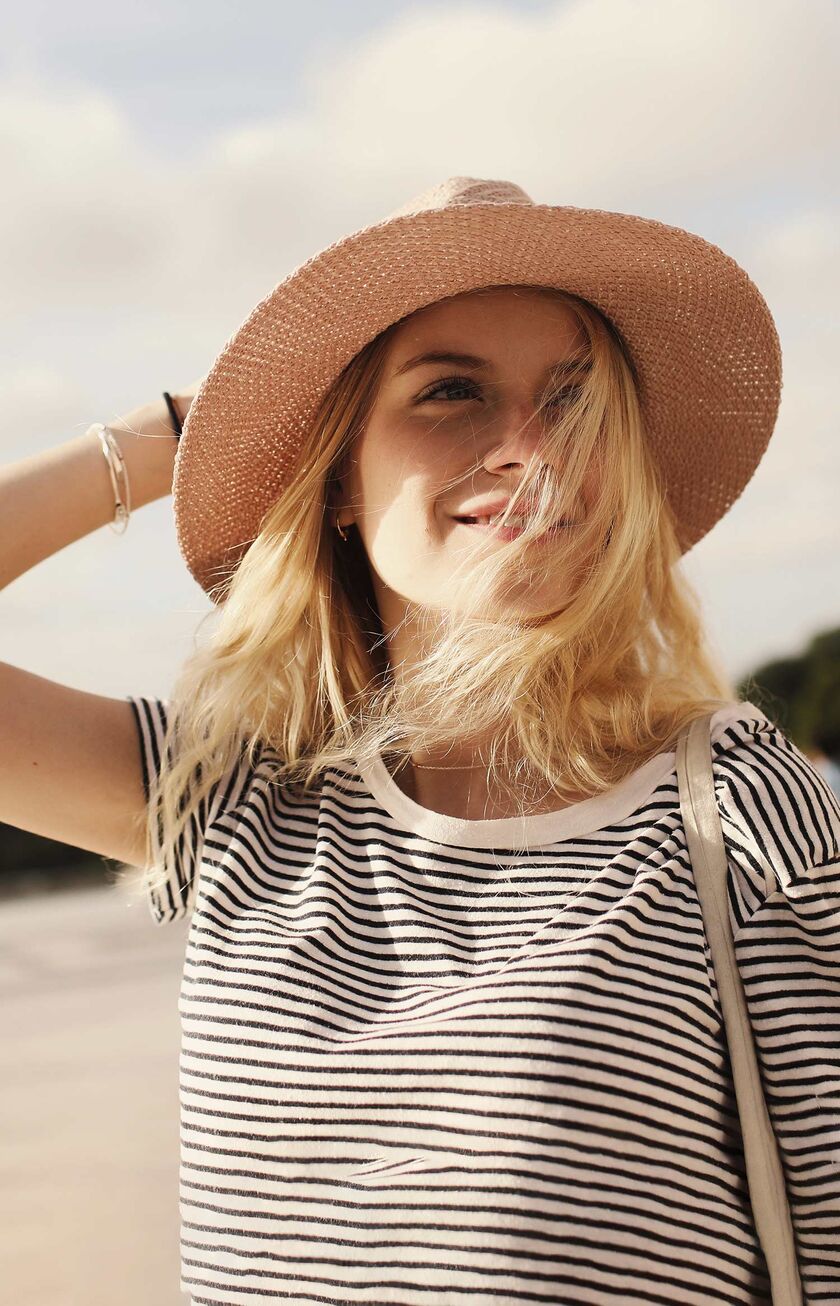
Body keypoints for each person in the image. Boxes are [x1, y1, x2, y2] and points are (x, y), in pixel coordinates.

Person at [2, 176, 838, 1305]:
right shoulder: (234, 798)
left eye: (577, 398)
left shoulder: (740, 814)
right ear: (340, 476)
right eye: (450, 391)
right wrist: (187, 433)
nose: (528, 447)